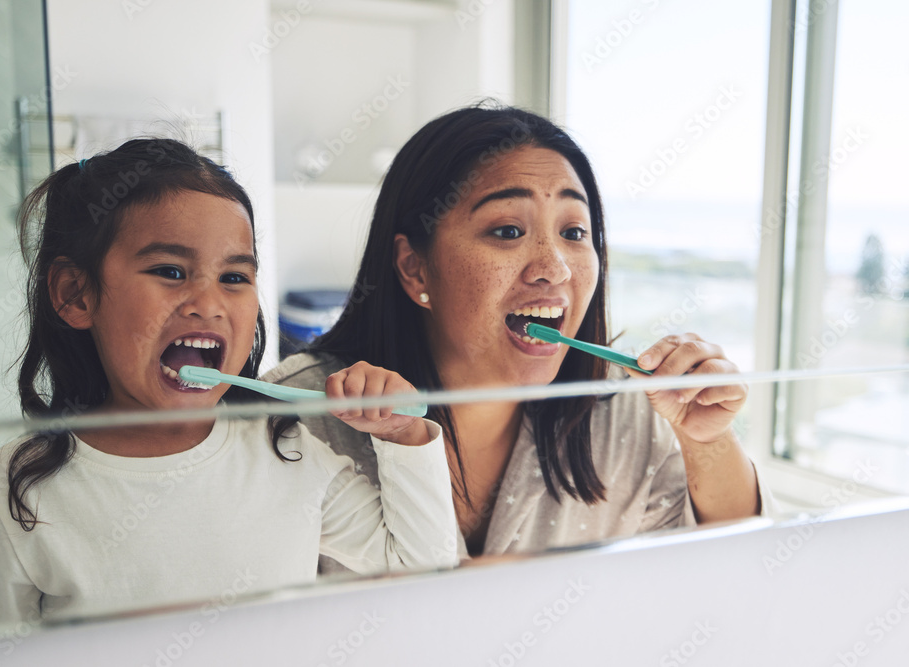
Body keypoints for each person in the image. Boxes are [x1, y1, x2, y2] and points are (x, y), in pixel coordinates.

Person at [0, 139, 457, 628]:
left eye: (235, 278)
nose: (209, 303)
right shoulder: (20, 485)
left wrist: (403, 437)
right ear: (76, 293)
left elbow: (420, 566)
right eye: (171, 270)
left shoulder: (288, 452)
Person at [264, 105, 772, 562]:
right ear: (415, 267)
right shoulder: (299, 415)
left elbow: (735, 570)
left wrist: (706, 440)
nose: (555, 268)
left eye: (575, 233)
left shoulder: (625, 411)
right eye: (508, 231)